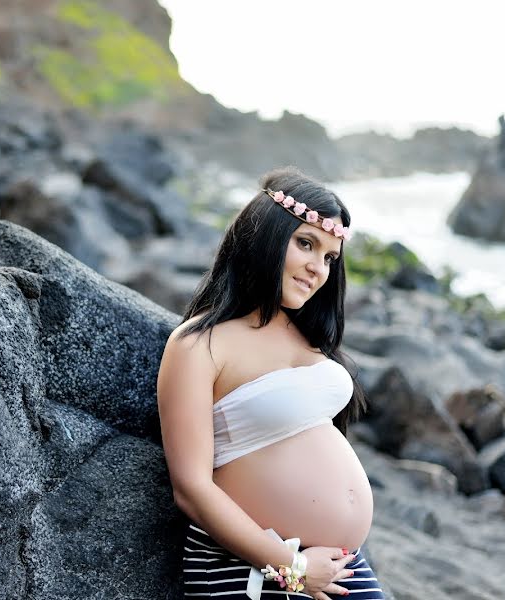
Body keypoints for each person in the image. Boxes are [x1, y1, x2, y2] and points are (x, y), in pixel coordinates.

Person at [156, 166, 383, 599]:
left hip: (337, 566)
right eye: (306, 244)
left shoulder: (304, 334)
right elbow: (192, 488)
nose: (318, 268)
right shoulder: (199, 344)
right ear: (266, 237)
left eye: (330, 258)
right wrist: (293, 568)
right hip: (252, 571)